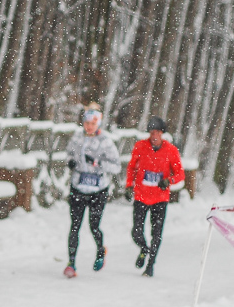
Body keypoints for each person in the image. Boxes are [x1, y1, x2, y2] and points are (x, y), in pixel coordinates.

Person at [63, 103, 120, 278]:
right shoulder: (77, 138)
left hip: (98, 190)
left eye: (93, 123)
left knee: (94, 226)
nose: (89, 126)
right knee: (75, 226)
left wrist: (97, 163)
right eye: (87, 123)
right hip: (78, 187)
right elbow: (68, 154)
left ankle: (101, 251)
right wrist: (70, 162)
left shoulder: (105, 141)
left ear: (98, 124)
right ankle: (71, 263)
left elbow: (116, 166)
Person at [125, 116, 184, 277]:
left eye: (157, 132)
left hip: (160, 198)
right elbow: (131, 167)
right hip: (141, 196)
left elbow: (180, 174)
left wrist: (168, 181)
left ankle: (150, 265)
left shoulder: (171, 150)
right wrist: (129, 185)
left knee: (156, 234)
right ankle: (144, 249)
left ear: (162, 133)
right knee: (136, 231)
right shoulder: (140, 146)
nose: (154, 135)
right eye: (152, 132)